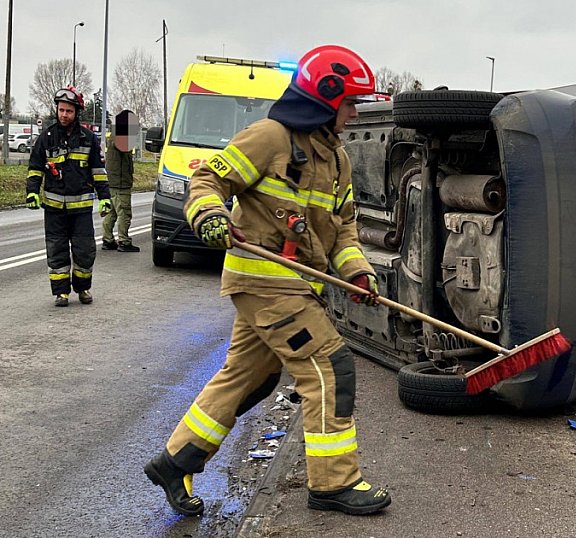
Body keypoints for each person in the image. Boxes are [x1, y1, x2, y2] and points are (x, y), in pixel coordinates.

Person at [144, 44, 391, 517]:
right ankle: (334, 482)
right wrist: (210, 216)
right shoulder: (270, 137)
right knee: (329, 368)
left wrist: (357, 269)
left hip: (296, 286)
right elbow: (206, 181)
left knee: (249, 378)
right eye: (350, 104)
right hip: (266, 285)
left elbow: (342, 228)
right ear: (325, 99)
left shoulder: (336, 159)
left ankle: (175, 461)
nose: (355, 114)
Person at [26, 86, 111, 307]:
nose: (64, 115)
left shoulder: (89, 139)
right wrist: (32, 192)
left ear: (76, 113)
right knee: (57, 251)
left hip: (81, 209)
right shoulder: (46, 138)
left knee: (84, 251)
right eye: (61, 110)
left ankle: (83, 288)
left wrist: (105, 197)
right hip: (54, 209)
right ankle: (61, 293)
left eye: (68, 111)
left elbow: (98, 171)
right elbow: (35, 168)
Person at [101, 123, 139, 252]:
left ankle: (108, 239)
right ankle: (123, 241)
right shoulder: (119, 138)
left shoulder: (112, 136)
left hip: (112, 182)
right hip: (120, 183)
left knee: (111, 212)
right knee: (124, 213)